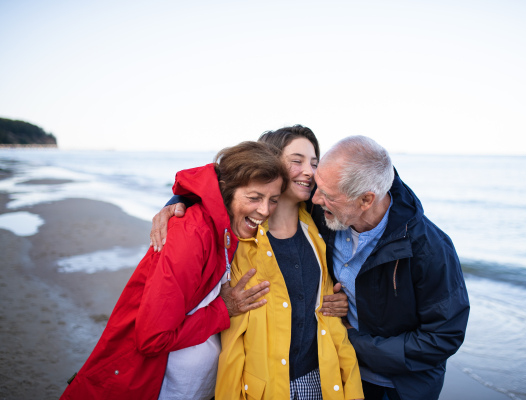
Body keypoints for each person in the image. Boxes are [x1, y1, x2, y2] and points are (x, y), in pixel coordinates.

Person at [153, 133, 470, 400]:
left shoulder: (429, 248)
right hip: (342, 370)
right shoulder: (326, 216)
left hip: (398, 387)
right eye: (315, 182)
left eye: (326, 193)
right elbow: (239, 183)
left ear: (365, 200)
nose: (316, 197)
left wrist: (354, 340)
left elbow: (444, 337)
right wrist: (180, 201)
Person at [60, 141, 288, 400]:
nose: (265, 210)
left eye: (273, 200)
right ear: (227, 191)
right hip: (147, 385)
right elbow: (152, 338)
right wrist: (223, 310)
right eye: (254, 197)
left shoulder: (225, 229)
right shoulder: (192, 234)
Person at [159, 126, 364, 399]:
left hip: (321, 380)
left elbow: (376, 188)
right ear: (270, 163)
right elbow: (217, 185)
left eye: (315, 163)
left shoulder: (321, 226)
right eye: (297, 160)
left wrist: (346, 306)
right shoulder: (238, 236)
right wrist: (177, 200)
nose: (309, 171)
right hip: (261, 387)